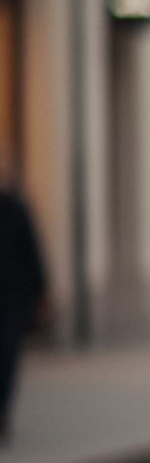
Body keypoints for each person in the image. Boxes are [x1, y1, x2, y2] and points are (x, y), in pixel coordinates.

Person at [0, 174, 49, 443]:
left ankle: (3, 410)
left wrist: (42, 292)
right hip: (14, 295)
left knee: (7, 355)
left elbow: (32, 251)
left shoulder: (15, 208)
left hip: (12, 297)